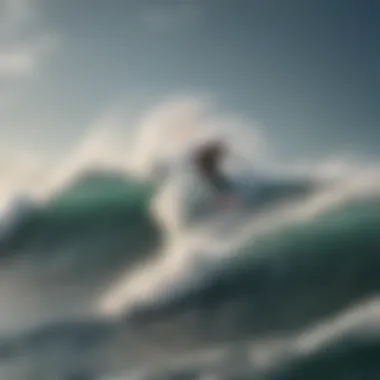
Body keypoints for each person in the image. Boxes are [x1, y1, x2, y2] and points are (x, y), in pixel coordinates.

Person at [193, 140, 238, 207]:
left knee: (220, 185)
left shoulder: (209, 157)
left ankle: (226, 200)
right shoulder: (206, 157)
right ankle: (225, 201)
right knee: (218, 186)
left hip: (211, 175)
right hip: (210, 176)